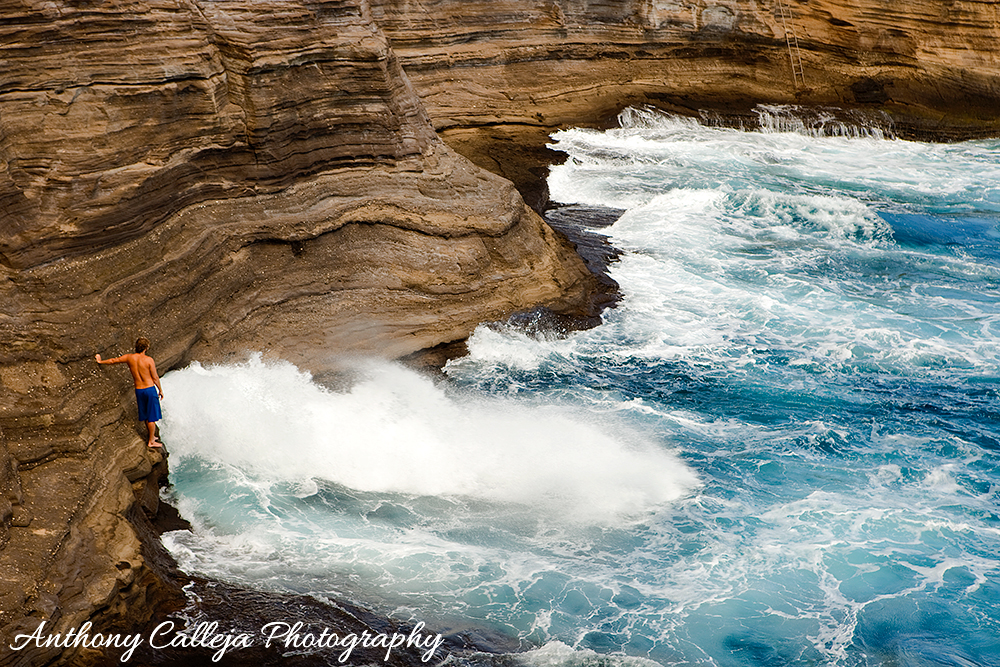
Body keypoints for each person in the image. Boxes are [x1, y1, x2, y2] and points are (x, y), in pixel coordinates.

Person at [96, 337, 164, 448]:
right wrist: (160, 390)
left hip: (139, 390)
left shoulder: (129, 358)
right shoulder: (148, 360)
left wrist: (100, 361)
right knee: (151, 417)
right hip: (149, 389)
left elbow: (114, 361)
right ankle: (151, 441)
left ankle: (151, 437)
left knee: (146, 415)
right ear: (146, 348)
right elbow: (155, 377)